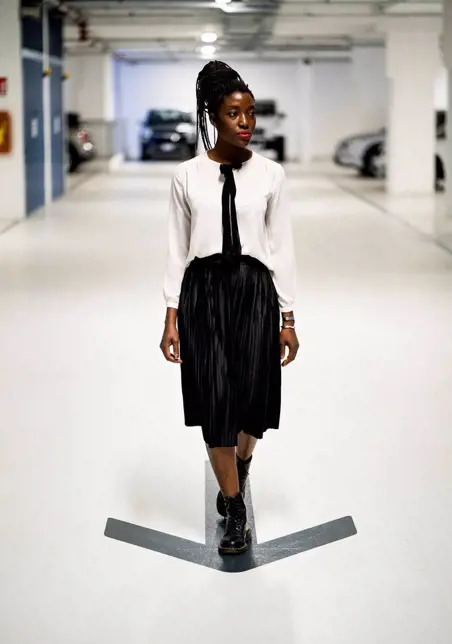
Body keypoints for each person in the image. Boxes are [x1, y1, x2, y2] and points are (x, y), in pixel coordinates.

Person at [160, 60, 299, 556]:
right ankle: (234, 508)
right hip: (204, 293)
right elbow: (177, 249)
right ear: (213, 117)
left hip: (255, 292)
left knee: (253, 402)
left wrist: (288, 316)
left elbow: (281, 247)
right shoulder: (187, 176)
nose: (246, 122)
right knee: (215, 399)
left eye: (251, 113)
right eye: (234, 113)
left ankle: (241, 465)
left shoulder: (270, 175)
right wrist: (171, 315)